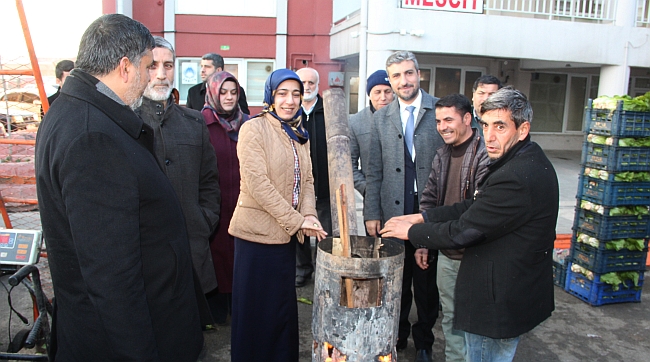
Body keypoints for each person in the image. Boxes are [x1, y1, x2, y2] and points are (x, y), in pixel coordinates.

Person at [35, 14, 206, 361]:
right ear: (125, 68)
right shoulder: (93, 136)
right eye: (146, 67)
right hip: (127, 340)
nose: (149, 79)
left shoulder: (74, 111)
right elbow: (112, 277)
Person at [380, 87, 559, 362]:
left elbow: (466, 229)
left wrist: (413, 232)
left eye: (500, 126)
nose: (490, 135)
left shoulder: (517, 175)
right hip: (506, 290)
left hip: (498, 301)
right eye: (486, 125)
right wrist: (424, 217)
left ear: (522, 130)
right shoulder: (521, 159)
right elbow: (475, 207)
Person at [228, 69, 327, 362]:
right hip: (255, 239)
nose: (290, 100)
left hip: (284, 240)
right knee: (255, 315)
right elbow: (258, 185)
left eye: (296, 94)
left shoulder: (300, 133)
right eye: (282, 93)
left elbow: (308, 181)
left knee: (280, 312)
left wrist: (309, 213)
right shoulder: (253, 129)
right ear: (270, 96)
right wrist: (298, 221)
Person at [363, 51, 443, 362]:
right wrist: (372, 211)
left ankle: (424, 341)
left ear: (419, 75)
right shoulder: (381, 117)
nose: (403, 81)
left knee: (425, 283)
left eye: (408, 73)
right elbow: (374, 169)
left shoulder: (439, 111)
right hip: (392, 211)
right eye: (396, 76)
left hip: (427, 209)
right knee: (396, 280)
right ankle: (396, 336)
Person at [136, 36, 222, 317]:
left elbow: (209, 181)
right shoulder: (123, 122)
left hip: (191, 250)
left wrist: (204, 219)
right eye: (153, 65)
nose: (161, 74)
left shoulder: (194, 122)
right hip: (143, 258)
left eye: (168, 65)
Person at [417, 93, 489, 362]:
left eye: (449, 119)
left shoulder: (485, 154)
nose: (442, 126)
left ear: (467, 118)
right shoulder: (442, 154)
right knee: (451, 320)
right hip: (447, 255)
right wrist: (424, 243)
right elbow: (428, 200)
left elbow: (478, 210)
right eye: (438, 121)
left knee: (476, 324)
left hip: (477, 256)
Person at [201, 70, 250, 325]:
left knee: (239, 256)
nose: (229, 97)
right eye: (223, 92)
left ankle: (240, 306)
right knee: (217, 257)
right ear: (213, 93)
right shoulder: (201, 123)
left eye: (234, 92)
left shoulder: (249, 123)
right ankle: (216, 310)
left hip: (243, 204)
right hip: (215, 206)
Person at [294, 67, 332, 287]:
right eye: (303, 82)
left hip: (325, 185)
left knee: (323, 232)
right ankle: (302, 270)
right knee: (299, 231)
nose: (307, 87)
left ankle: (323, 272)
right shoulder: (290, 110)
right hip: (297, 185)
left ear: (318, 85)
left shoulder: (328, 110)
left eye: (311, 82)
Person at [349, 69, 394, 197]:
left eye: (387, 91)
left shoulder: (404, 118)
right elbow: (350, 164)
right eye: (377, 92)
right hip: (373, 198)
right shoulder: (356, 122)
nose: (383, 97)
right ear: (369, 94)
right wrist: (367, 189)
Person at [185, 52, 249, 114]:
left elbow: (245, 118)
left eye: (207, 67)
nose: (202, 70)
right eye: (201, 66)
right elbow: (188, 118)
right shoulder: (193, 92)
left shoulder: (237, 90)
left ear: (218, 70)